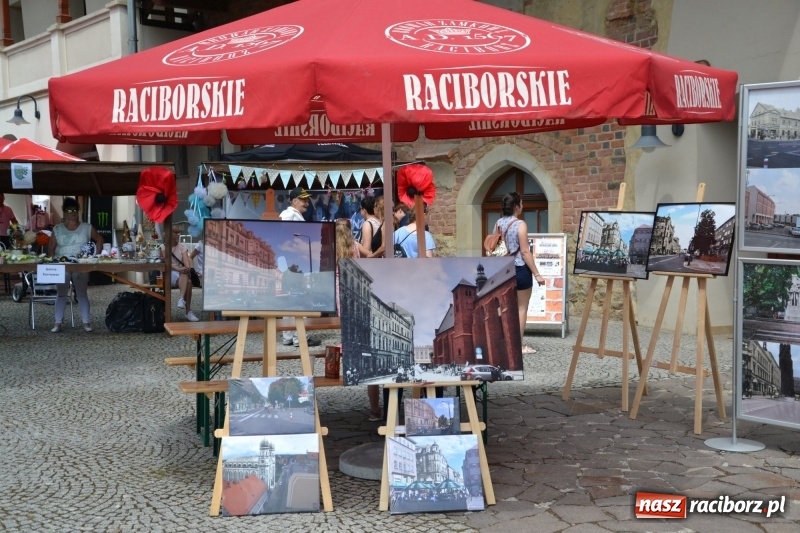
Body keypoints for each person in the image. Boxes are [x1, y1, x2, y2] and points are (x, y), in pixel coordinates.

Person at [495, 192, 545, 351]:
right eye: (521, 203)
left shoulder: (498, 223)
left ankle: (501, 341)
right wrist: (537, 274)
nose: (522, 206)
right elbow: (525, 252)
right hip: (519, 268)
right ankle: (517, 346)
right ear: (517, 206)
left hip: (503, 268)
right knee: (521, 308)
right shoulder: (520, 224)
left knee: (502, 306)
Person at [47, 197, 103, 332]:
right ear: (64, 212)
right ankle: (58, 323)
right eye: (69, 210)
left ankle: (86, 322)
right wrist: (52, 264)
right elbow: (51, 248)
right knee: (61, 294)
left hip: (81, 264)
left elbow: (99, 239)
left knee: (82, 293)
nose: (72, 213)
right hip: (62, 264)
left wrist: (94, 256)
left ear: (78, 211)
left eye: (75, 210)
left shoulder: (86, 227)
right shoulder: (57, 229)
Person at [279, 187, 321, 347]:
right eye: (303, 200)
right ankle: (299, 338)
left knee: (290, 301)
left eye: (307, 200)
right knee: (300, 300)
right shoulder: (290, 215)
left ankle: (288, 336)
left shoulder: (290, 215)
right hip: (295, 264)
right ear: (293, 200)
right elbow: (287, 239)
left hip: (291, 265)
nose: (307, 203)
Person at [168, 225, 200, 322]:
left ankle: (182, 301)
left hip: (180, 273)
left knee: (189, 282)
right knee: (188, 282)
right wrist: (178, 269)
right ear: (170, 233)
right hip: (169, 273)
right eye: (176, 232)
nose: (179, 234)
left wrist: (186, 268)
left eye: (179, 232)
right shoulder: (164, 247)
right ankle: (187, 310)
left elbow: (186, 260)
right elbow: (166, 263)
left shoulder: (182, 246)